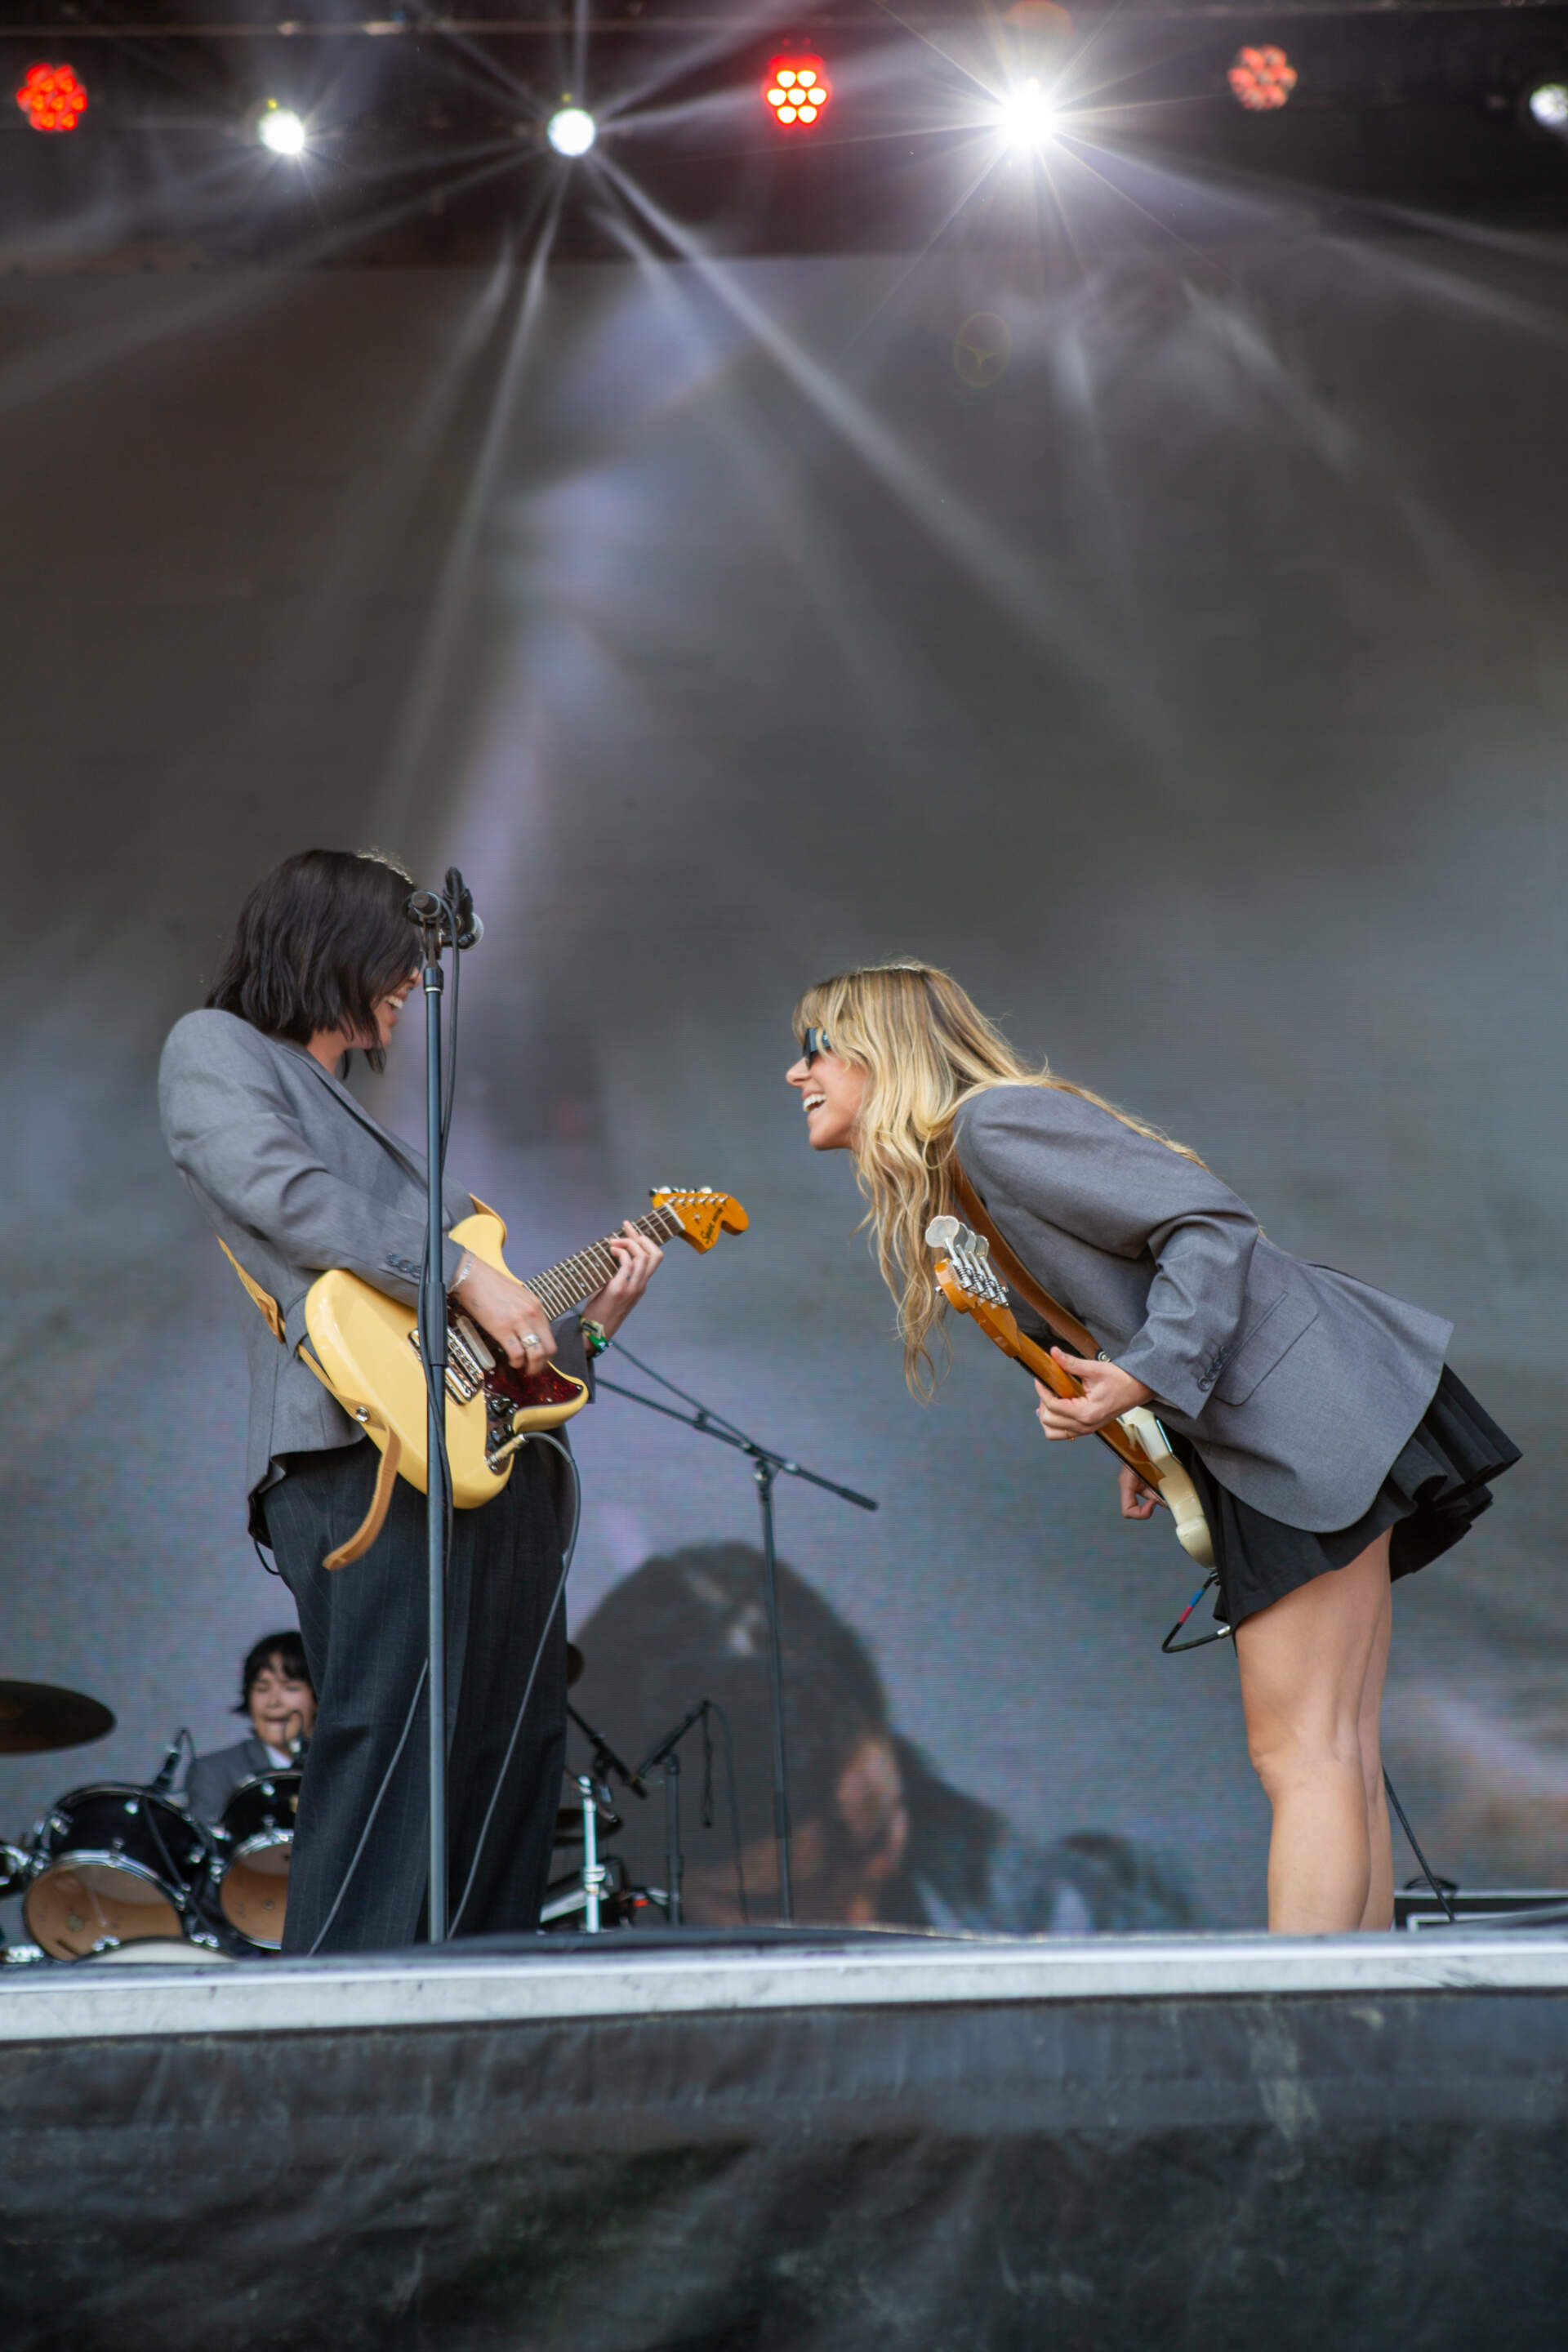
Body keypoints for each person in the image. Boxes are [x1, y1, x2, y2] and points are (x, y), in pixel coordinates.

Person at [784, 961, 1520, 1936]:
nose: (797, 1075)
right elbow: (1113, 1310)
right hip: (1285, 1419)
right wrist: (1143, 1440)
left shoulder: (992, 1127)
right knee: (1331, 1751)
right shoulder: (958, 1173)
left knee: (1301, 1755)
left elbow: (1207, 1225)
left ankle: (1306, 2040)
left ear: (882, 1052)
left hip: (1296, 1418)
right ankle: (1371, 2029)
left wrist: (1149, 1379)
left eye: (814, 1049)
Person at [158, 848, 663, 1953]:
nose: (408, 986)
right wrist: (457, 1263)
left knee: (506, 1746)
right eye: (397, 959)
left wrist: (589, 1330)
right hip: (355, 1460)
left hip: (480, 1467)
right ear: (335, 942)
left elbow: (469, 1349)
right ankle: (338, 2035)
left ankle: (478, 1999)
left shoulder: (363, 1114)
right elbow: (280, 1194)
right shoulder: (219, 1052)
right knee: (390, 1738)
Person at [569, 1543, 1193, 1934]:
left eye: (878, 1842)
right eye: (773, 1902)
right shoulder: (528, 2005)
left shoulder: (1063, 1919)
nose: (861, 1924)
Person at [184, 1631, 318, 1828]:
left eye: (290, 1687)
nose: (273, 1702)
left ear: (317, 1695)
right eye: (262, 1689)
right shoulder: (214, 1772)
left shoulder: (346, 1769)